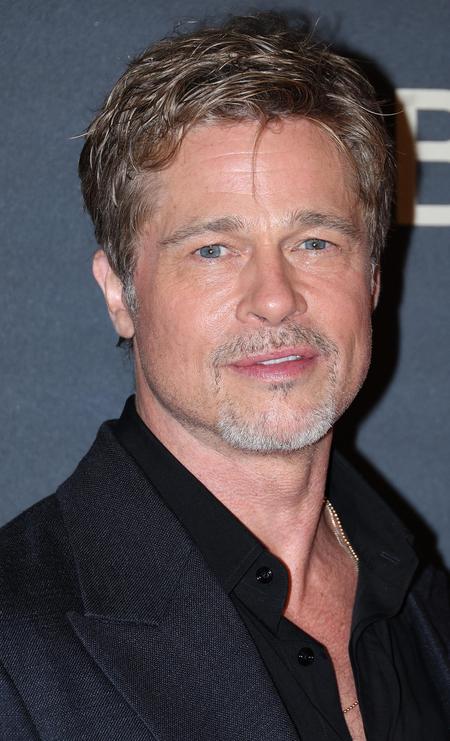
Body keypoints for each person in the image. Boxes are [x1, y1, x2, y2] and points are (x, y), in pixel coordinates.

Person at [0, 12, 448, 741]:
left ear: (371, 278)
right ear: (120, 294)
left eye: (314, 241)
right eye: (213, 249)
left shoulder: (424, 605)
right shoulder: (16, 645)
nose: (275, 297)